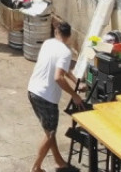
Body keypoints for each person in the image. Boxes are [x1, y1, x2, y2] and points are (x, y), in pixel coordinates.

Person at [28, 20, 84, 172]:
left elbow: (62, 69)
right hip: (46, 97)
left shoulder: (48, 43)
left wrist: (77, 82)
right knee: (50, 133)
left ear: (56, 32)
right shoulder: (66, 52)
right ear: (69, 36)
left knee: (49, 131)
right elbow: (58, 77)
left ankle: (59, 162)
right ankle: (36, 167)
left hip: (32, 91)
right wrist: (75, 95)